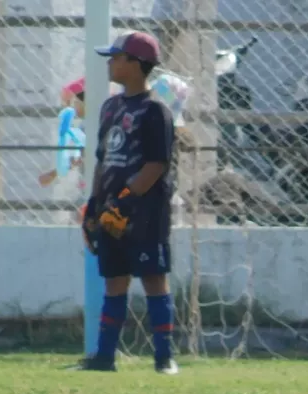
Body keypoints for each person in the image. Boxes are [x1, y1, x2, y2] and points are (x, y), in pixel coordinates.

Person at [79, 32, 179, 374]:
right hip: (110, 208)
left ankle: (164, 358)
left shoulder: (155, 111)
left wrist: (125, 200)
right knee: (114, 278)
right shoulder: (110, 107)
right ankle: (105, 356)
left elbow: (156, 164)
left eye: (116, 57)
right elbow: (103, 158)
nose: (110, 62)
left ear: (135, 65)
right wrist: (95, 203)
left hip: (145, 212)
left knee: (153, 277)